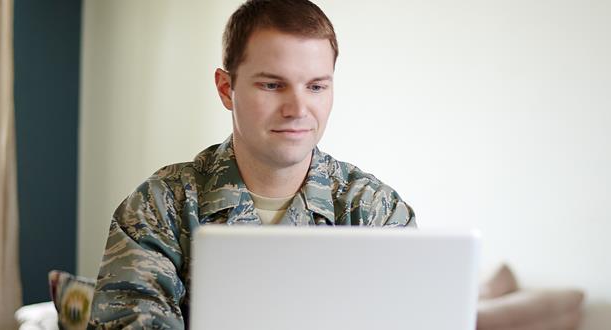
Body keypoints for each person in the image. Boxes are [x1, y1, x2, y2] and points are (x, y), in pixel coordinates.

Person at [88, 0, 415, 328]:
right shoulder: (160, 207)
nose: (298, 109)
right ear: (226, 88)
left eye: (316, 87)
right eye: (273, 85)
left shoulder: (374, 211)